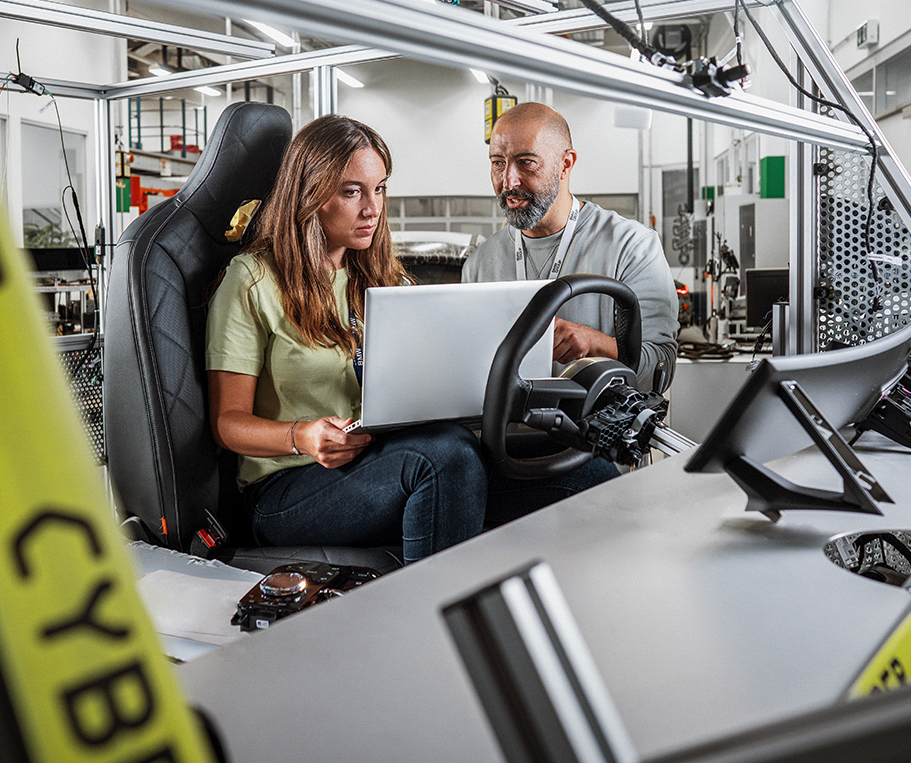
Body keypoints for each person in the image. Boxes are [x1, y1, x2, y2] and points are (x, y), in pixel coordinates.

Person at [206, 115, 488, 565]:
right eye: (352, 191)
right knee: (444, 460)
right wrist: (303, 435)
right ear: (310, 194)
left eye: (379, 189)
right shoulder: (253, 280)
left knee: (571, 472)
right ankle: (427, 626)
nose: (372, 208)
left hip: (380, 459)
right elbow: (227, 423)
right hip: (287, 486)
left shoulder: (385, 278)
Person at [463, 102, 679, 521]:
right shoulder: (481, 262)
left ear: (566, 164)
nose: (509, 180)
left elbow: (662, 365)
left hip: (592, 450)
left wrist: (595, 344)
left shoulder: (630, 246)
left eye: (527, 163)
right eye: (497, 163)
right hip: (504, 450)